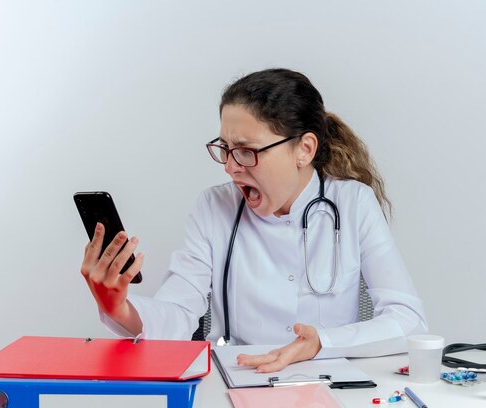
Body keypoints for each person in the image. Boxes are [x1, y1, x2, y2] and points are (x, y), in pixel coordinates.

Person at [80, 68, 428, 373]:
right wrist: (120, 308)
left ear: (304, 149)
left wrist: (323, 342)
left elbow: (408, 322)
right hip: (234, 379)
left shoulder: (353, 203)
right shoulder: (214, 206)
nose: (231, 166)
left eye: (247, 151)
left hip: (326, 381)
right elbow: (177, 311)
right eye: (225, 148)